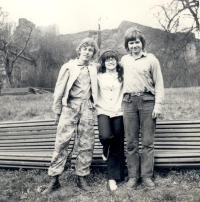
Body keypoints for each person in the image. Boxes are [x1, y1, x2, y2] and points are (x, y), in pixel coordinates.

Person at [42, 38, 99, 195]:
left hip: (87, 108)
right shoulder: (68, 67)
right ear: (79, 50)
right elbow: (59, 90)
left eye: (91, 50)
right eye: (85, 49)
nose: (87, 52)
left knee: (86, 143)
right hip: (69, 107)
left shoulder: (94, 69)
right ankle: (54, 179)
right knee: (62, 142)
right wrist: (57, 111)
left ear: (93, 54)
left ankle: (82, 177)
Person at [120, 28, 164, 189]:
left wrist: (157, 105)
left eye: (137, 42)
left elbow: (159, 84)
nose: (134, 45)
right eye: (131, 43)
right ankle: (133, 176)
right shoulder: (124, 60)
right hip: (129, 102)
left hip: (147, 101)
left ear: (142, 43)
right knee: (131, 142)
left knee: (147, 142)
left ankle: (146, 176)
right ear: (127, 45)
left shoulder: (152, 60)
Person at [96, 50, 125, 191]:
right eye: (107, 60)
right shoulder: (98, 76)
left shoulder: (122, 75)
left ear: (117, 61)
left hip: (119, 111)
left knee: (117, 144)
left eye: (113, 59)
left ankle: (113, 178)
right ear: (103, 62)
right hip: (103, 110)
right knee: (106, 136)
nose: (111, 61)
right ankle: (105, 147)